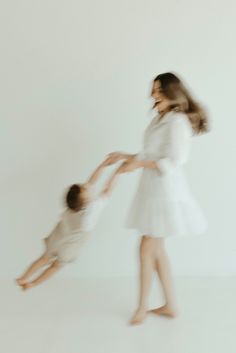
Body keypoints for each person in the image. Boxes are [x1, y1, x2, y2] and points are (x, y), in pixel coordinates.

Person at [108, 72, 209, 325]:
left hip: (165, 192)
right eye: (153, 90)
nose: (153, 95)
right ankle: (170, 305)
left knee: (146, 248)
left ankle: (142, 307)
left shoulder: (177, 122)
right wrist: (126, 156)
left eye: (158, 90)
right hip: (152, 190)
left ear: (172, 93)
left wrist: (138, 163)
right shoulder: (160, 118)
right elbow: (152, 152)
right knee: (157, 249)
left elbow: (174, 161)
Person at [16, 156, 119, 290]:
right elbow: (107, 189)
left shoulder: (73, 205)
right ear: (85, 201)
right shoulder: (93, 209)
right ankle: (32, 283)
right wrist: (117, 172)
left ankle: (24, 277)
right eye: (85, 188)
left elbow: (91, 181)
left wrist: (104, 164)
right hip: (71, 245)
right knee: (56, 266)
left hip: (58, 237)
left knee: (44, 258)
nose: (87, 186)